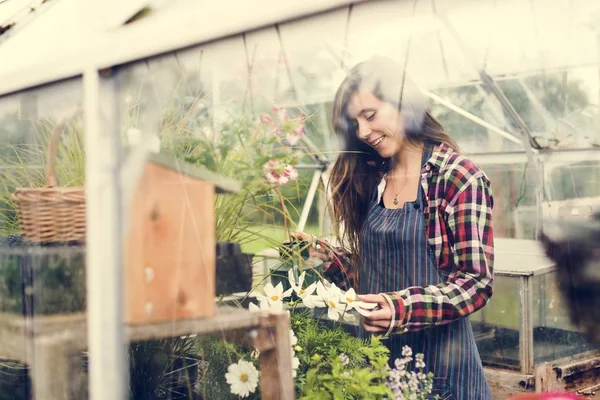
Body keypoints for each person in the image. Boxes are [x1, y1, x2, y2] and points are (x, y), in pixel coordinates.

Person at [292, 57, 494, 400]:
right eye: (354, 123)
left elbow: (475, 283)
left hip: (442, 376)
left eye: (369, 115)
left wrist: (400, 309)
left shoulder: (456, 177)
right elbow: (378, 275)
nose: (362, 132)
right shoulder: (373, 179)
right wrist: (329, 259)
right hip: (377, 372)